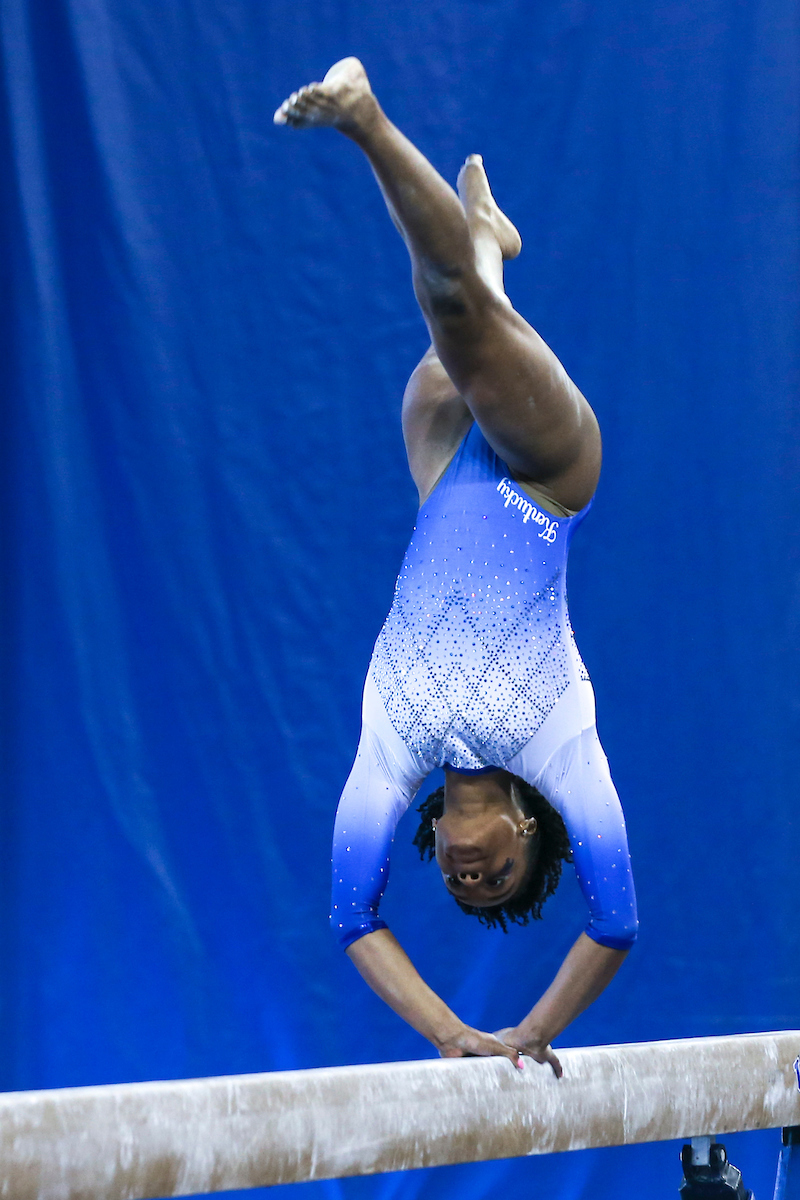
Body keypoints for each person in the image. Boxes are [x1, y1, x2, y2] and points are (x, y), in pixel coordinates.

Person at [275, 58, 638, 1077]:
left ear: (433, 843)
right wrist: (532, 1031)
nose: (473, 878)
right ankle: (366, 119)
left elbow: (352, 917)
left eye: (460, 886)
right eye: (501, 879)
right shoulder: (557, 744)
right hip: (544, 480)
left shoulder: (391, 753)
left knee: (459, 333)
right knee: (461, 321)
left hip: (439, 474)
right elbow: (614, 921)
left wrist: (451, 1035)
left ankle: (486, 237)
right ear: (527, 828)